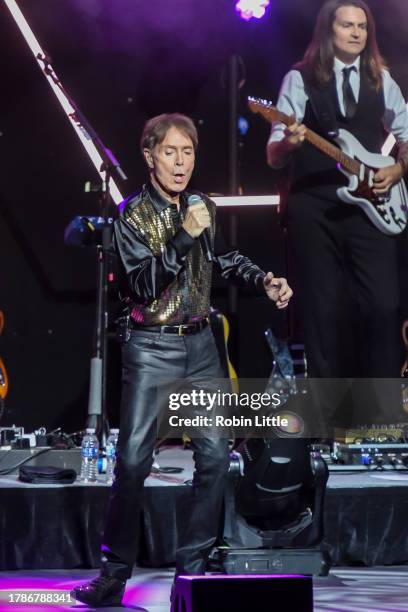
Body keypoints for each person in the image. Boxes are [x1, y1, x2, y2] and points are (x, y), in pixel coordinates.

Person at [72, 113, 292, 607]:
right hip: (151, 348)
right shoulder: (131, 216)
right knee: (132, 463)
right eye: (170, 152)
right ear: (149, 157)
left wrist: (264, 280)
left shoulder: (201, 206)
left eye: (187, 152)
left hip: (202, 347)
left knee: (215, 458)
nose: (180, 162)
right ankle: (113, 574)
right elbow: (143, 285)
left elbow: (223, 261)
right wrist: (185, 235)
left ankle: (190, 578)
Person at [267, 0, 408, 392]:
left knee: (383, 306)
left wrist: (396, 170)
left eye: (362, 26)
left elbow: (407, 137)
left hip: (372, 208)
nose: (357, 33)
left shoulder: (382, 79)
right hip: (315, 209)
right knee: (322, 311)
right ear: (329, 32)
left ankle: (382, 415)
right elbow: (274, 155)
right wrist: (290, 143)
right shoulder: (300, 79)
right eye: (348, 25)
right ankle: (328, 420)